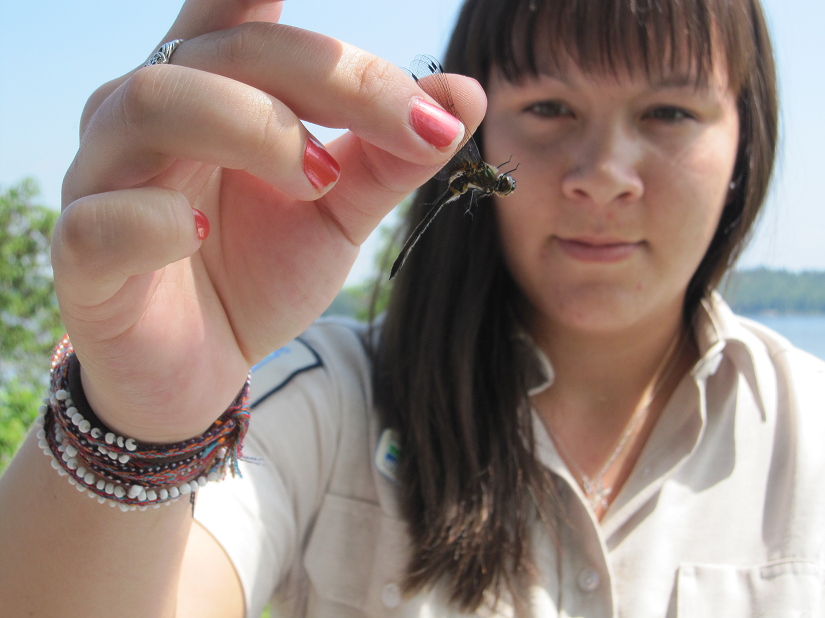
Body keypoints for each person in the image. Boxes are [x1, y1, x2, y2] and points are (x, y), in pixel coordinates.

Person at [1, 0, 823, 616]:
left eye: (669, 113)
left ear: (746, 139)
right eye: (547, 109)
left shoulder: (806, 427)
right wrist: (142, 421)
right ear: (473, 129)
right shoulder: (324, 401)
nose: (602, 173)